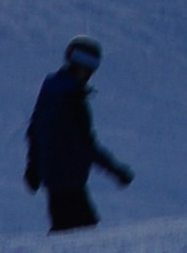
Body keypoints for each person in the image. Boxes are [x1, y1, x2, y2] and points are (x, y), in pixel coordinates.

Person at [23, 37, 134, 233]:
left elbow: (35, 130)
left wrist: (34, 166)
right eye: (90, 65)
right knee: (81, 234)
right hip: (68, 180)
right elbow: (86, 144)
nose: (91, 72)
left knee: (70, 230)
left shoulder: (51, 90)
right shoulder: (72, 99)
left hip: (54, 177)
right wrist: (116, 171)